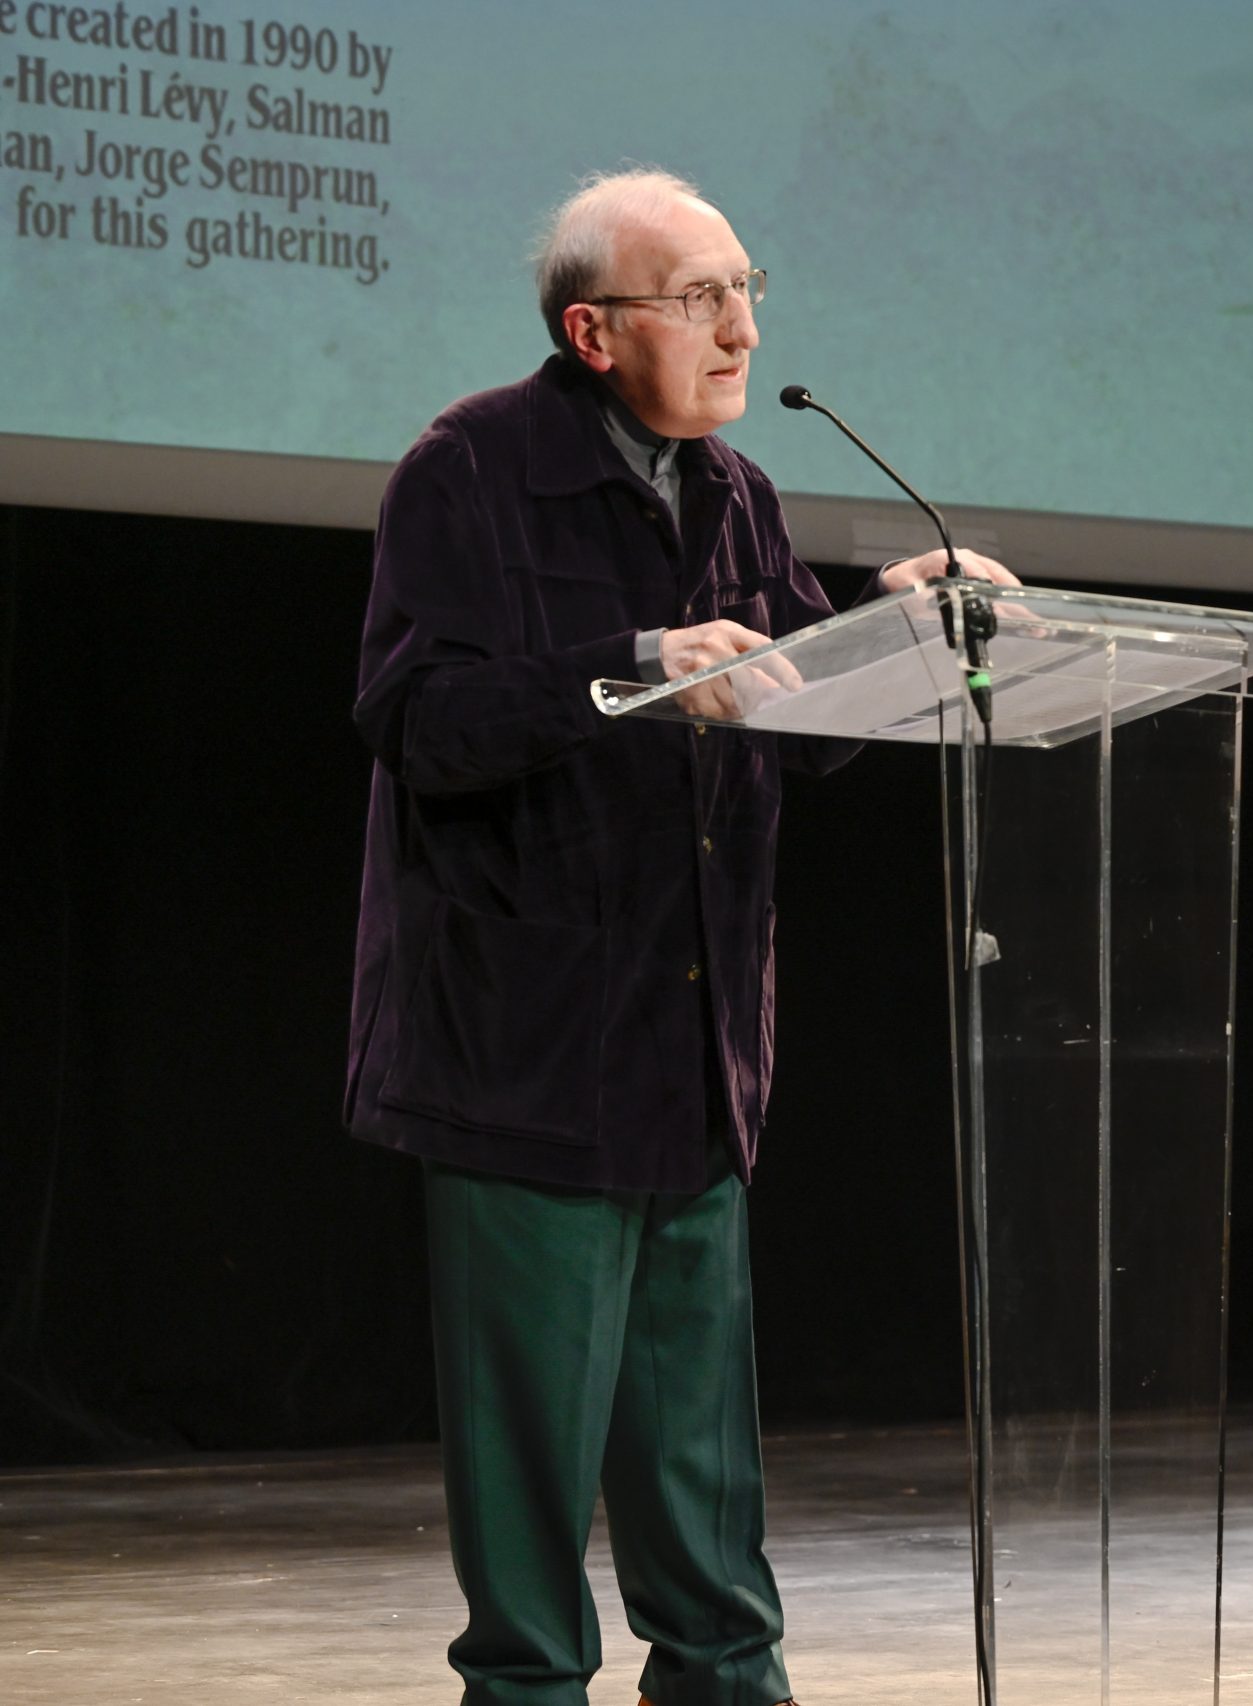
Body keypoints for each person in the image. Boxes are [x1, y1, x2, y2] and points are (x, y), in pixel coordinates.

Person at [345, 168, 1013, 1706]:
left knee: (704, 1481)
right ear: (592, 330)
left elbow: (802, 720)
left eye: (746, 289)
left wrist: (895, 624)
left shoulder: (737, 493)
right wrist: (633, 667)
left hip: (691, 1052)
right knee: (532, 1500)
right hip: (524, 1056)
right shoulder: (468, 472)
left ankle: (727, 1682)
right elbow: (416, 716)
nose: (741, 327)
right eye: (701, 296)